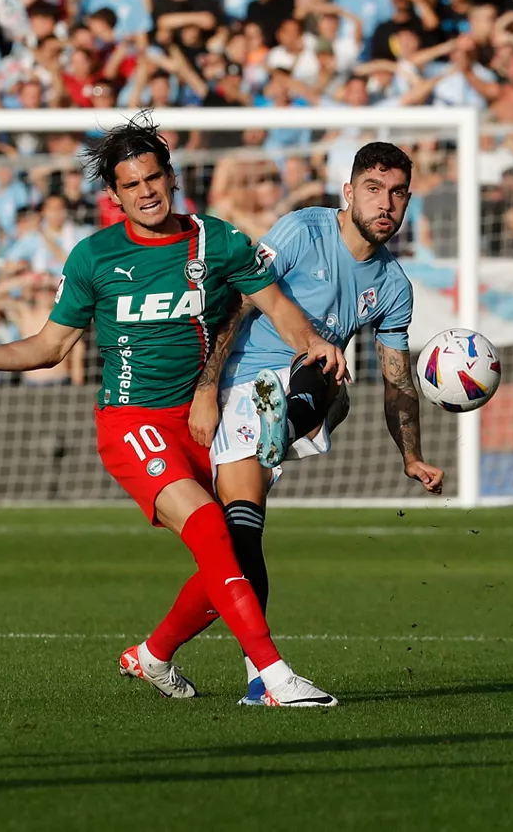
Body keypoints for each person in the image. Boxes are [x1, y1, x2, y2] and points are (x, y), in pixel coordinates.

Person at [0, 116, 346, 707]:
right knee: (210, 530)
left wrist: (313, 343)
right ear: (114, 195)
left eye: (153, 177)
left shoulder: (218, 241)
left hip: (209, 419)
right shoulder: (95, 257)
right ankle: (274, 677)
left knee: (231, 551)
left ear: (170, 177)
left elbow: (276, 305)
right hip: (133, 422)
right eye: (131, 185)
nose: (146, 192)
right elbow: (50, 347)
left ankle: (151, 656)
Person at [192, 142, 445, 706]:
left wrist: (411, 456)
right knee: (241, 536)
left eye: (398, 192)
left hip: (300, 398)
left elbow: (398, 379)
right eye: (374, 190)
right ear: (349, 192)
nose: (386, 204)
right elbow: (236, 300)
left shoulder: (394, 286)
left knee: (238, 538)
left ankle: (158, 654)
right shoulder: (301, 231)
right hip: (243, 387)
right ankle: (264, 679)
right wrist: (206, 390)